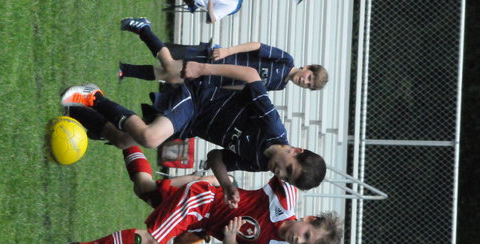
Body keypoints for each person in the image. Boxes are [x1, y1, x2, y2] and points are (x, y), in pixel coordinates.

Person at [65, 145, 343, 244]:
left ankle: (123, 136)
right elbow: (283, 154)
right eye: (306, 235)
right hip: (203, 200)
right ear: (309, 219)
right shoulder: (286, 197)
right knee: (153, 239)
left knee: (145, 189)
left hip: (200, 222)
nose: (299, 240)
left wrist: (230, 238)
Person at [61, 58, 326, 200]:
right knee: (150, 137)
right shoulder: (272, 127)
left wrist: (226, 185)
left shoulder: (259, 163)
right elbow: (251, 75)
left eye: (286, 178)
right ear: (295, 150)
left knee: (123, 140)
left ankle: (74, 111)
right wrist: (203, 68)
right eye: (289, 169)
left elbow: (216, 157)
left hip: (191, 125)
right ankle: (93, 96)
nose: (281, 173)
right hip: (199, 99)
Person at [117, 18, 328, 91]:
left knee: (170, 76)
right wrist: (228, 50)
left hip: (216, 77)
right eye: (309, 77)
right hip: (219, 59)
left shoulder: (279, 85)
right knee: (171, 68)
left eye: (309, 85)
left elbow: (245, 85)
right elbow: (257, 46)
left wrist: (218, 87)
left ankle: (125, 70)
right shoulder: (286, 60)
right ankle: (143, 28)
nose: (305, 82)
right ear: (308, 67)